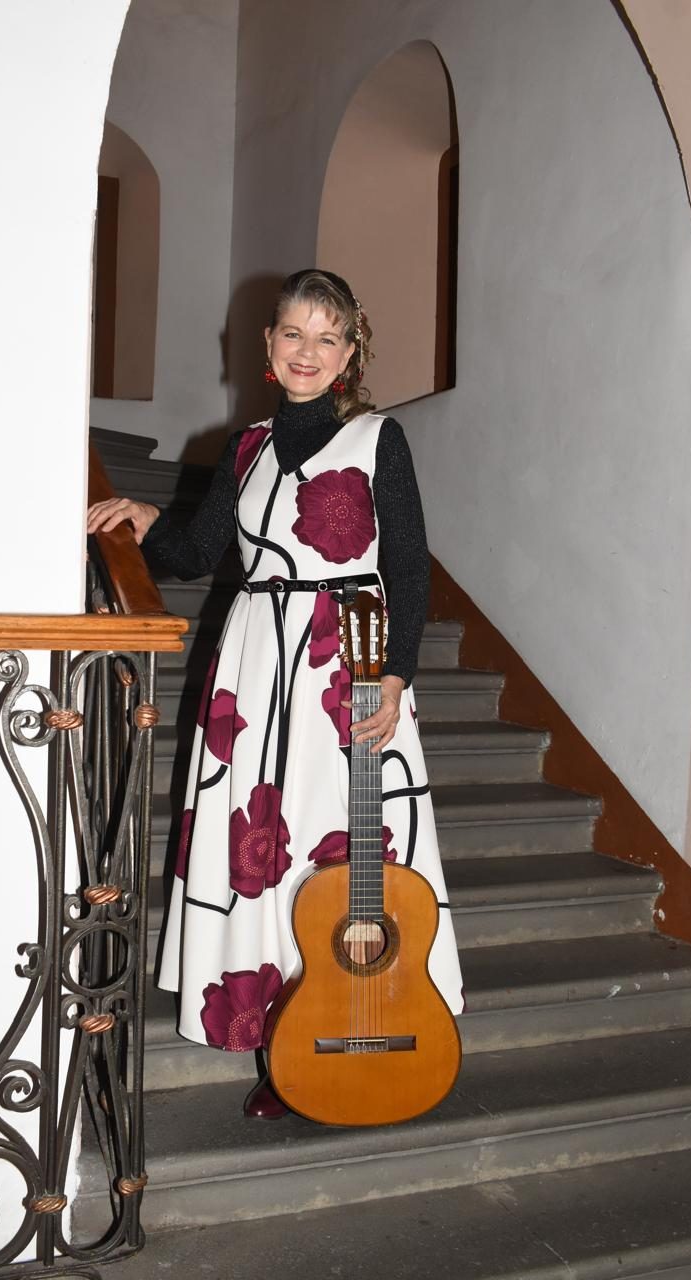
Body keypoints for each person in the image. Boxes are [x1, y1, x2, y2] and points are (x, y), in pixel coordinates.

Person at [87, 269, 464, 1118]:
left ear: (350, 353)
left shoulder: (377, 438)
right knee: (262, 844)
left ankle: (371, 1015)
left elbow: (407, 568)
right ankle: (279, 1043)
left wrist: (395, 676)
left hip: (347, 664)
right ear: (266, 344)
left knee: (345, 847)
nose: (307, 351)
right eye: (293, 332)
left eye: (327, 337)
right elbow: (196, 555)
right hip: (256, 665)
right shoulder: (246, 447)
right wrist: (145, 522)